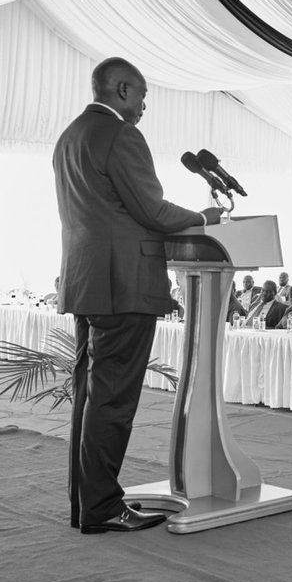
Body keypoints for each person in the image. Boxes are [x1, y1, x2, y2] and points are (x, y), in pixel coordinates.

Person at [54, 57, 222, 535]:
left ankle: (86, 504)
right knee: (113, 402)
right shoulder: (121, 135)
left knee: (90, 397)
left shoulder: (70, 137)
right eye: (143, 95)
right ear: (122, 89)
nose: (145, 106)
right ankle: (103, 508)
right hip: (124, 286)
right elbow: (151, 208)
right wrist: (205, 218)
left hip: (86, 281)